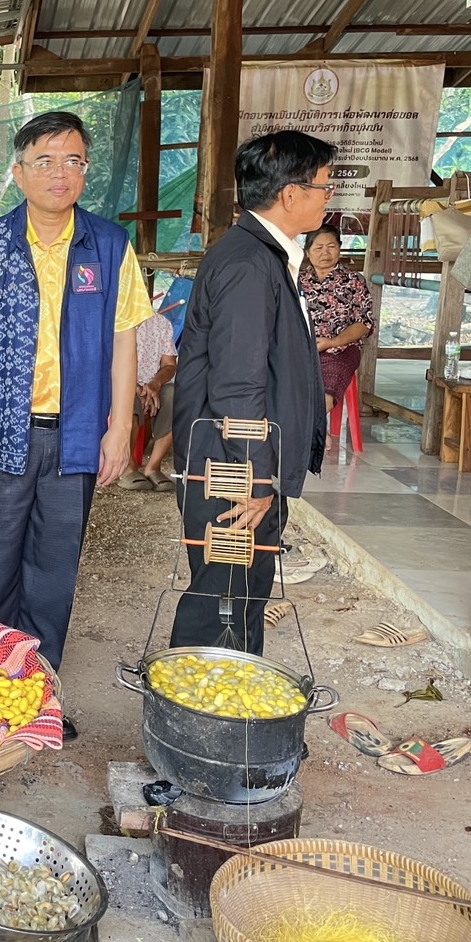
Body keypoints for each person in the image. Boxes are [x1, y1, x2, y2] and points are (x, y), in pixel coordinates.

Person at [0, 111, 153, 727]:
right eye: (45, 161)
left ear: (85, 170)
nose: (60, 173)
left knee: (54, 573)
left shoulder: (108, 245)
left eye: (73, 161)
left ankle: (36, 697)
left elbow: (124, 339)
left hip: (76, 436)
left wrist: (118, 429)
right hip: (0, 434)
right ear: (19, 172)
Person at [170, 131, 333, 655]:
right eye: (325, 187)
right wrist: (256, 478)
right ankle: (197, 705)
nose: (329, 198)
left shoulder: (262, 255)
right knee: (223, 599)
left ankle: (233, 699)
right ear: (291, 194)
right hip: (231, 469)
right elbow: (238, 385)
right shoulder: (248, 264)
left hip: (237, 462)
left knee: (240, 596)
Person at [298, 223, 373, 415]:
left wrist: (333, 342)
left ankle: (314, 423)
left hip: (342, 348)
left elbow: (364, 323)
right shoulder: (297, 281)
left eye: (331, 246)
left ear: (339, 248)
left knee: (332, 373)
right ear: (307, 253)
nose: (325, 252)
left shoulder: (354, 281)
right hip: (300, 347)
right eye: (319, 248)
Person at [118, 307, 178, 492]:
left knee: (176, 397)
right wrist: (134, 386)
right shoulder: (115, 319)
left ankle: (153, 467)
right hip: (119, 384)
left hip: (151, 387)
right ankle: (127, 467)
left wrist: (154, 385)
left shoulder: (161, 323)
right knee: (127, 398)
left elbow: (169, 365)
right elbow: (107, 362)